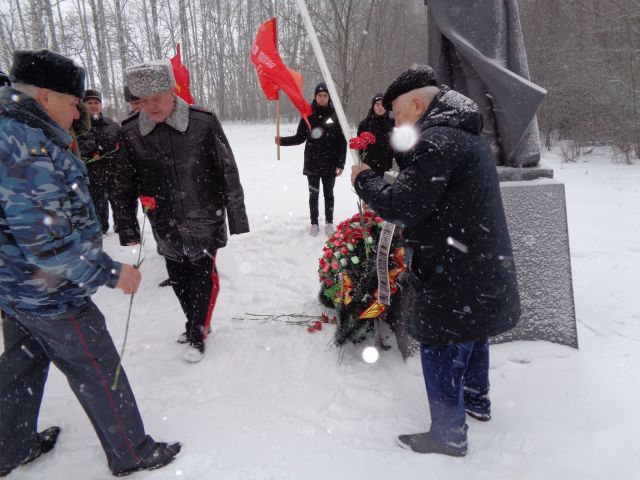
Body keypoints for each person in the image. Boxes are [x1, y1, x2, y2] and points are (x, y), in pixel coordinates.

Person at [0, 49, 180, 477]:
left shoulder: (16, 131)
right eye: (72, 100)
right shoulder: (27, 147)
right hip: (51, 292)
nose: (78, 109)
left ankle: (11, 446)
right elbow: (48, 247)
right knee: (98, 368)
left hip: (16, 288)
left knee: (22, 367)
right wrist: (112, 273)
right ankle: (132, 452)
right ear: (45, 97)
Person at [351, 65, 520, 457]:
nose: (394, 118)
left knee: (441, 343)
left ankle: (448, 433)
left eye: (397, 111)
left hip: (450, 269)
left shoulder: (437, 141)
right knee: (473, 329)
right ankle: (477, 399)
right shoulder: (466, 136)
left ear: (416, 102)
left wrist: (364, 179)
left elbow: (402, 206)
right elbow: (429, 193)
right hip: (477, 263)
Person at [114, 60, 249, 362]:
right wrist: (126, 226)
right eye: (143, 101)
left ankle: (198, 332)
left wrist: (237, 216)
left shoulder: (202, 122)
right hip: (164, 220)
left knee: (201, 275)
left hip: (204, 216)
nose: (150, 107)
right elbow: (123, 183)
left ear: (171, 91)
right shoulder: (131, 132)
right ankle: (193, 323)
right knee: (177, 276)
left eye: (157, 99)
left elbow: (227, 170)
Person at [275, 82, 347, 237]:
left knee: (329, 194)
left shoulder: (336, 115)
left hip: (330, 163)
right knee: (313, 195)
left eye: (325, 96)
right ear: (315, 97)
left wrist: (341, 163)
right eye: (319, 95)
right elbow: (300, 137)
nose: (322, 98)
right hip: (313, 162)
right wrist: (283, 141)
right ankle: (314, 223)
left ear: (329, 97)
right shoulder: (308, 114)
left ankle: (329, 222)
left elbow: (342, 141)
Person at [78, 89, 120, 234]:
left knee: (120, 204)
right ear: (83, 105)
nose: (93, 105)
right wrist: (92, 149)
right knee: (98, 207)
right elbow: (75, 149)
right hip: (92, 176)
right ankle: (101, 230)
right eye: (89, 102)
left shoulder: (112, 125)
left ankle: (122, 228)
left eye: (96, 102)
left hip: (114, 173)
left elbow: (121, 146)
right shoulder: (77, 126)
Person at [356, 93, 395, 176]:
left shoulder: (393, 123)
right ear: (373, 106)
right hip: (368, 166)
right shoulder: (364, 124)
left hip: (388, 167)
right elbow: (360, 147)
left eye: (383, 104)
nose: (380, 107)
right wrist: (363, 162)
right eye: (377, 104)